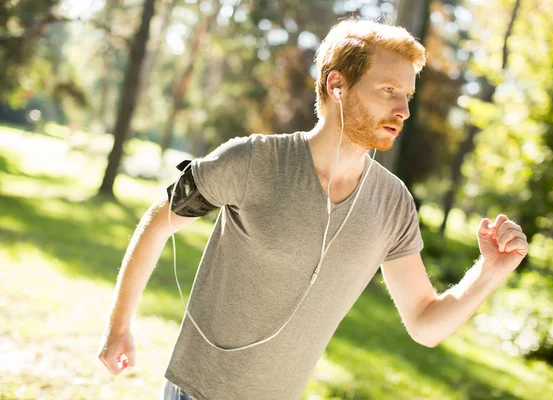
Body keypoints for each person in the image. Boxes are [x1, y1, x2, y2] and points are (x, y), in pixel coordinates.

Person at [98, 19, 529, 399]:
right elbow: (158, 221)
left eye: (408, 95)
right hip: (195, 392)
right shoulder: (254, 161)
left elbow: (424, 323)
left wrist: (489, 271)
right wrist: (119, 328)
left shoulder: (393, 204)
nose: (404, 110)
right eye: (388, 91)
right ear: (336, 85)